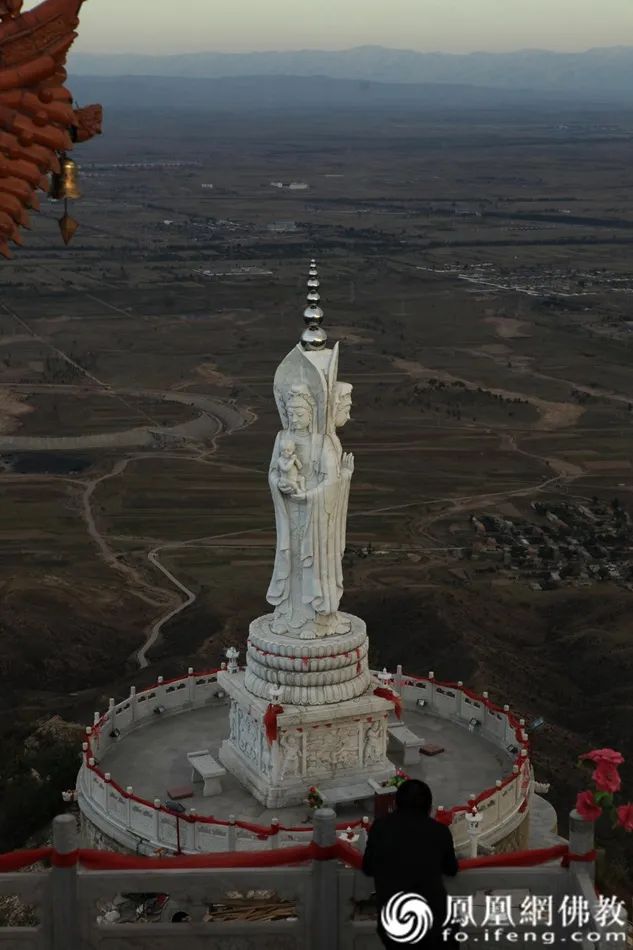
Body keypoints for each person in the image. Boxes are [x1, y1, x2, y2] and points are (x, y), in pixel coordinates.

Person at [362, 779, 459, 948]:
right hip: (436, 924)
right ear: (429, 807)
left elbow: (368, 867)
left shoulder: (380, 828)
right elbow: (451, 869)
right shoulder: (439, 831)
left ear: (396, 803)